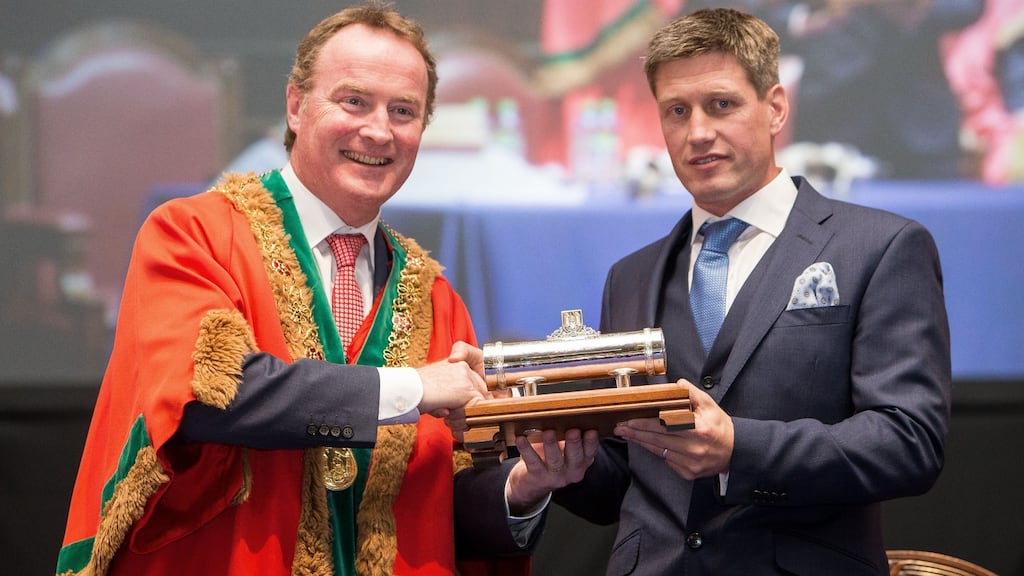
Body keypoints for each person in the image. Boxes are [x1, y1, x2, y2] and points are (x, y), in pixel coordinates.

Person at [55, 4, 591, 575]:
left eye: (403, 111)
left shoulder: (435, 298)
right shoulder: (193, 235)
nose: (379, 130)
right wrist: (413, 387)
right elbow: (209, 396)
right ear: (295, 104)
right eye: (354, 101)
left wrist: (524, 487)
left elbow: (438, 509)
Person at [552, 8, 952, 575]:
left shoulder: (882, 246)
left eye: (721, 104)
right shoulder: (631, 275)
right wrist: (561, 466)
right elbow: (628, 476)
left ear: (776, 107)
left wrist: (741, 447)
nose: (697, 132)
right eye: (676, 111)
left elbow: (909, 442)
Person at [755, 0, 983, 180]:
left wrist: (912, 7)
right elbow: (752, 12)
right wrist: (805, 19)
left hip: (921, 123)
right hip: (830, 115)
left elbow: (967, 6)